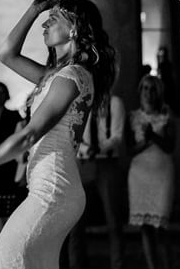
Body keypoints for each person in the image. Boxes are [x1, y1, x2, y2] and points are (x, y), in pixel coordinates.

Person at [0, 0, 116, 269]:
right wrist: (33, 10)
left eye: (52, 19)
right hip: (49, 189)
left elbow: (30, 134)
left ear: (74, 28)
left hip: (54, 190)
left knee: (3, 263)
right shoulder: (53, 76)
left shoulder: (72, 76)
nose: (44, 25)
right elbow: (6, 54)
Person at [67, 92, 126, 269]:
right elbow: (72, 134)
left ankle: (117, 265)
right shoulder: (78, 102)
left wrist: (99, 149)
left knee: (113, 221)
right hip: (83, 163)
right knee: (76, 222)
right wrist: (87, 150)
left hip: (107, 163)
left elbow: (117, 136)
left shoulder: (114, 102)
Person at [127, 75, 175, 269]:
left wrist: (153, 135)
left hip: (162, 173)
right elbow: (129, 150)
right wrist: (146, 140)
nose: (148, 92)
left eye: (152, 89)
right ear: (140, 91)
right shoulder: (133, 117)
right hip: (140, 174)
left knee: (161, 224)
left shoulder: (167, 115)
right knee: (145, 226)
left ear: (158, 93)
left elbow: (171, 146)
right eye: (145, 88)